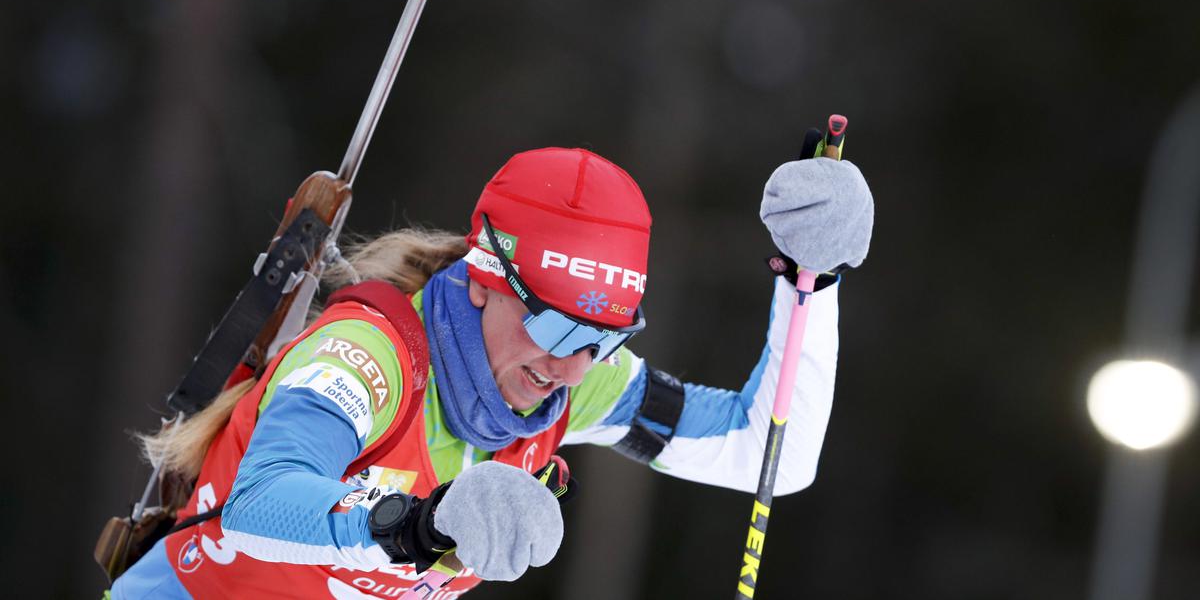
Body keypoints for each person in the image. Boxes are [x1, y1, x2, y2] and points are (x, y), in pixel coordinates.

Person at [111, 145, 873, 599]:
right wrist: (416, 523)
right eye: (555, 323)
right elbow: (263, 501)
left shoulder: (569, 382)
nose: (570, 365)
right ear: (484, 277)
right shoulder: (369, 357)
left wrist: (813, 280)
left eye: (604, 337)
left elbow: (766, 452)